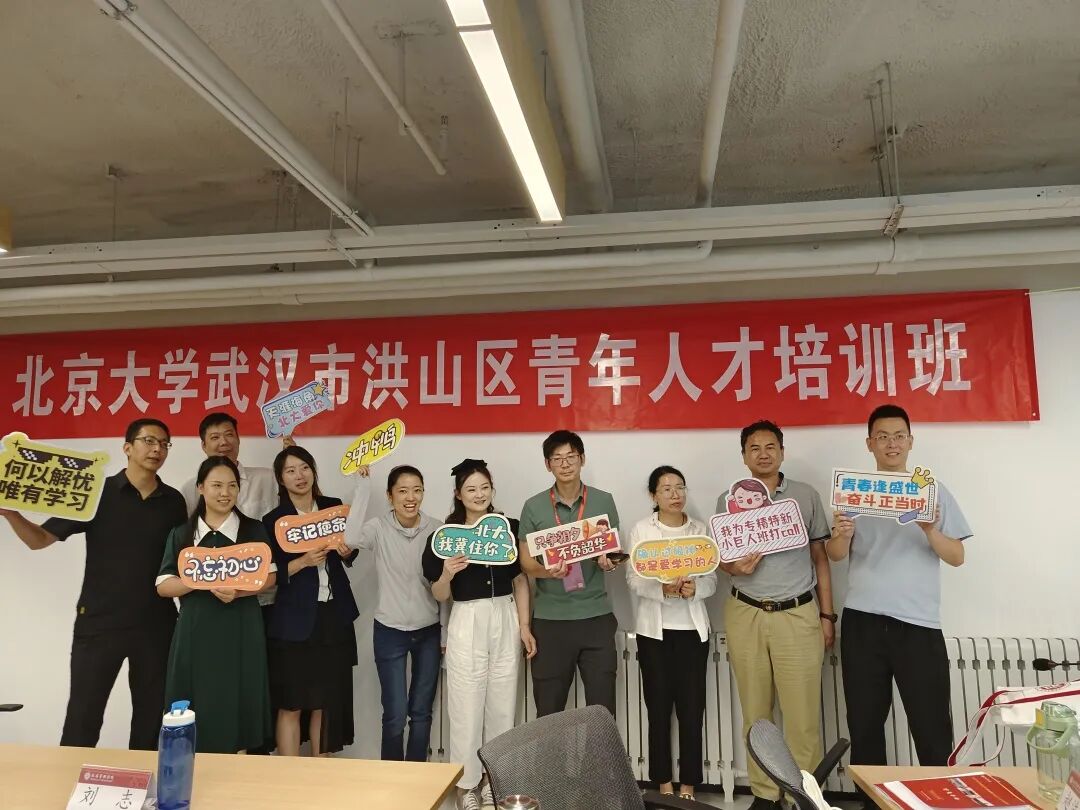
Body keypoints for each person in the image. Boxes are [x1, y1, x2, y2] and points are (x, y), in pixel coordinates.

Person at [0, 418, 186, 750]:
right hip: (99, 623)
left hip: (156, 625)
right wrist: (12, 514)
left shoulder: (173, 502)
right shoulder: (96, 493)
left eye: (163, 444)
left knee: (150, 718)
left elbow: (181, 562)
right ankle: (70, 781)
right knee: (83, 718)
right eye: (148, 441)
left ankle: (144, 782)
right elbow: (40, 539)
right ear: (127, 447)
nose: (157, 449)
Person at [828, 404, 971, 784]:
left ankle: (937, 800)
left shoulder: (931, 492)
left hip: (918, 624)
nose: (891, 443)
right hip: (862, 621)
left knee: (932, 726)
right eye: (882, 437)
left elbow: (957, 556)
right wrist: (841, 535)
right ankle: (872, 802)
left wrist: (929, 530)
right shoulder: (854, 492)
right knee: (864, 724)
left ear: (911, 441)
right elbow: (836, 554)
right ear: (869, 444)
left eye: (898, 436)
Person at [714, 420, 835, 810]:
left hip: (797, 613)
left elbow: (821, 559)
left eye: (770, 446)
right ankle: (765, 794)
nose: (763, 454)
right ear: (744, 456)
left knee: (802, 715)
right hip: (745, 611)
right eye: (754, 447)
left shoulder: (804, 496)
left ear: (782, 452)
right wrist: (734, 568)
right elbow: (722, 561)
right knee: (755, 712)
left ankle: (804, 795)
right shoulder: (727, 499)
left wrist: (827, 616)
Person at [422, 459, 537, 810]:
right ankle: (466, 785)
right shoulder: (445, 536)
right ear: (458, 494)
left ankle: (494, 781)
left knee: (503, 703)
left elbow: (520, 581)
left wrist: (524, 626)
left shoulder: (507, 528)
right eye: (471, 489)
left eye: (484, 488)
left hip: (504, 614)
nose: (479, 494)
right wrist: (447, 573)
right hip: (467, 618)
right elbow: (439, 594)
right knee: (466, 705)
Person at [156, 456, 275, 754]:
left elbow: (270, 577)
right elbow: (163, 585)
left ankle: (238, 772)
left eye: (232, 486)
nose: (225, 493)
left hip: (242, 627)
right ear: (200, 488)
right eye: (217, 485)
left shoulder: (253, 530)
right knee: (196, 706)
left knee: (240, 703)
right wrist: (202, 581)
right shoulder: (182, 534)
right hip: (196, 631)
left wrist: (238, 592)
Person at [262, 446, 364, 757]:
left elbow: (350, 551)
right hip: (292, 623)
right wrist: (302, 562)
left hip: (333, 617)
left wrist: (348, 550)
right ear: (281, 479)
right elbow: (270, 574)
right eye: (290, 470)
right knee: (290, 703)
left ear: (314, 471)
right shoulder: (274, 520)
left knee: (326, 702)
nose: (299, 475)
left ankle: (322, 772)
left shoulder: (333, 508)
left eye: (304, 467)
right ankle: (289, 776)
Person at [517, 429, 622, 717]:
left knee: (602, 711)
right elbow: (525, 563)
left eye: (571, 456)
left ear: (582, 459)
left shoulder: (603, 501)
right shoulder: (534, 506)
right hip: (551, 621)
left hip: (596, 616)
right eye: (557, 458)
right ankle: (552, 752)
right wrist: (548, 572)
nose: (565, 464)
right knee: (549, 712)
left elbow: (612, 549)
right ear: (547, 464)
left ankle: (598, 752)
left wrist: (609, 561)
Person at [625, 465, 714, 802]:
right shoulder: (642, 530)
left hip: (693, 632)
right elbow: (634, 579)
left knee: (692, 711)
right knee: (658, 709)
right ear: (654, 495)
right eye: (666, 489)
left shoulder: (700, 530)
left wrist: (695, 589)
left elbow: (712, 578)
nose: (675, 494)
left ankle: (689, 785)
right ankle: (662, 783)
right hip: (654, 634)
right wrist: (662, 590)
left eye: (680, 487)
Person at [344, 464, 442, 762]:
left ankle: (418, 777)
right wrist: (362, 488)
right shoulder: (378, 527)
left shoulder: (437, 529)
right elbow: (350, 540)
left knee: (421, 712)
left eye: (417, 490)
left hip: (429, 631)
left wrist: (446, 633)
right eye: (403, 491)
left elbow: (445, 585)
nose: (411, 498)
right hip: (390, 632)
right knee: (395, 714)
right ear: (390, 496)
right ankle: (391, 778)